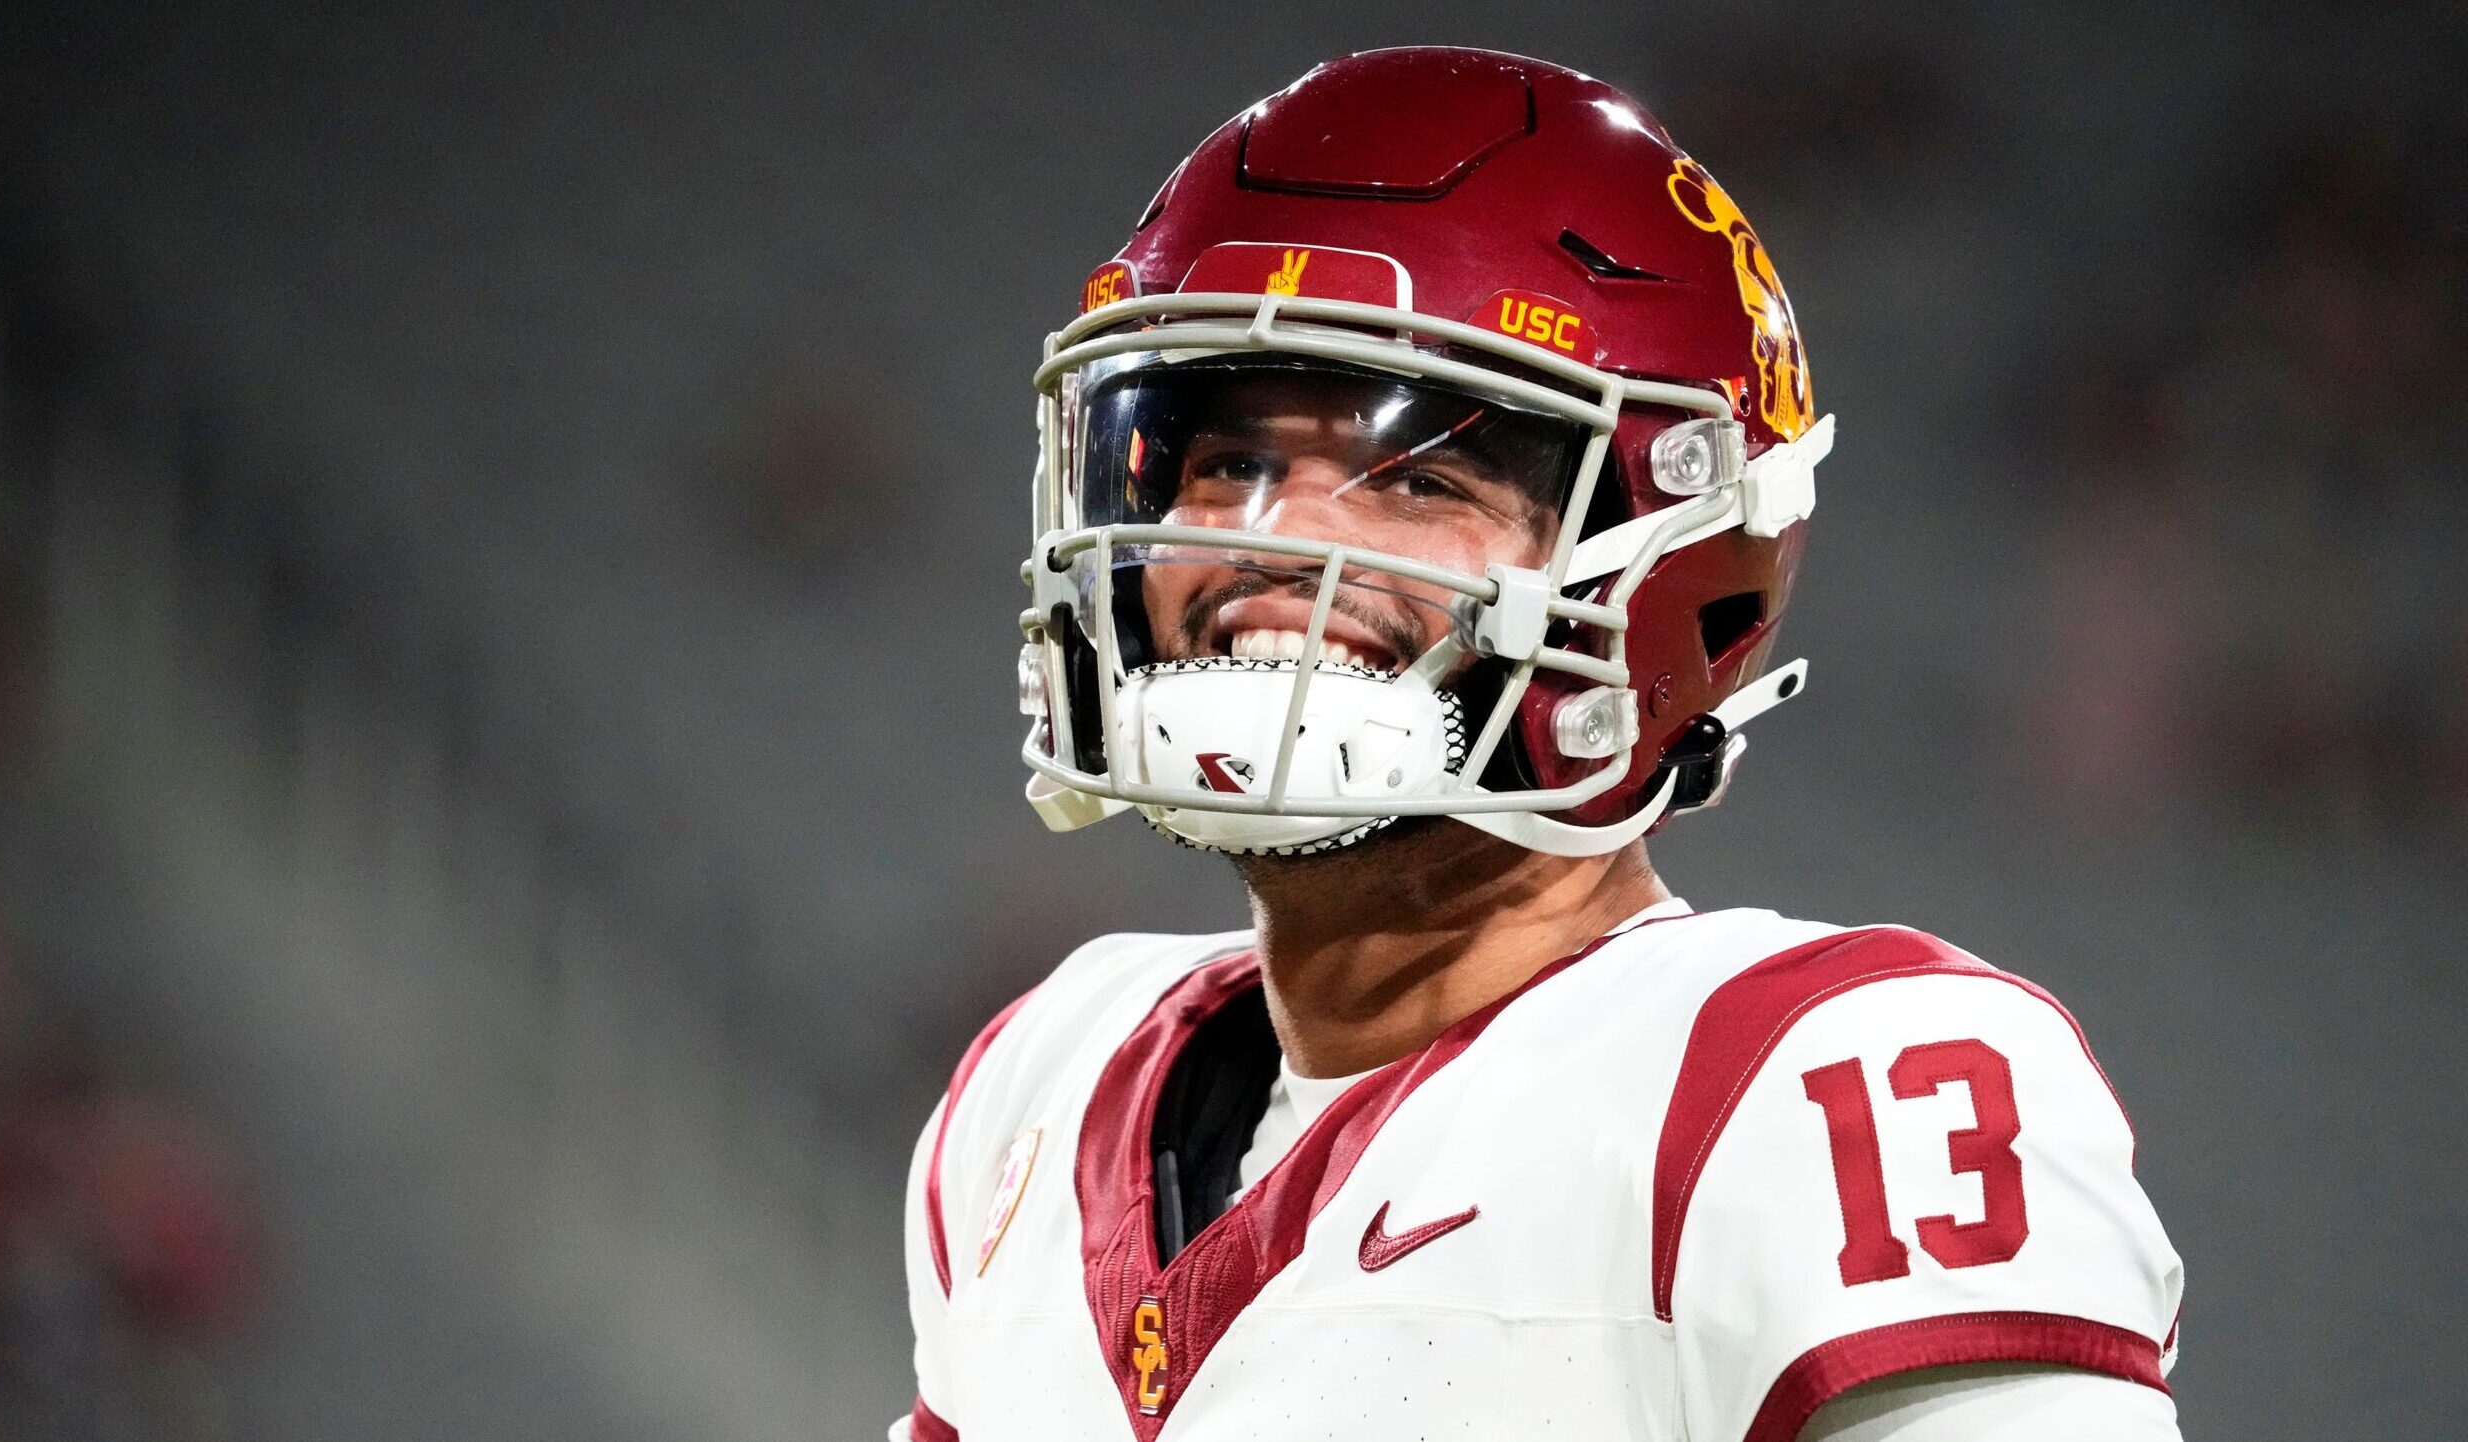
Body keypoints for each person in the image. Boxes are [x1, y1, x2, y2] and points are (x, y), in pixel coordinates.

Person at [899, 47, 2184, 1442]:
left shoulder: (1820, 1082)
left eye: (1421, 482)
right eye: (1230, 464)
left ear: (1677, 572)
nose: (1276, 543)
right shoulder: (1041, 1084)